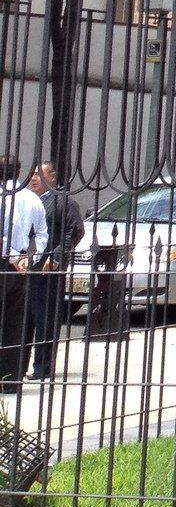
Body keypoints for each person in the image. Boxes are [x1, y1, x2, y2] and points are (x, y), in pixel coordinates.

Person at [26, 163, 80, 381]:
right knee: (23, 319)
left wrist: (57, 257)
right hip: (23, 267)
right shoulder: (27, 200)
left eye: (39, 174)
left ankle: (43, 366)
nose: (34, 178)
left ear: (53, 177)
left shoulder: (63, 201)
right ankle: (16, 364)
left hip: (47, 269)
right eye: (32, 174)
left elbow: (74, 231)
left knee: (45, 319)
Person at [0, 159, 46, 389]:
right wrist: (30, 258)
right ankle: (10, 380)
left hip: (8, 261)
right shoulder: (32, 198)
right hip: (20, 267)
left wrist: (12, 256)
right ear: (19, 172)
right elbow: (42, 234)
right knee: (15, 324)